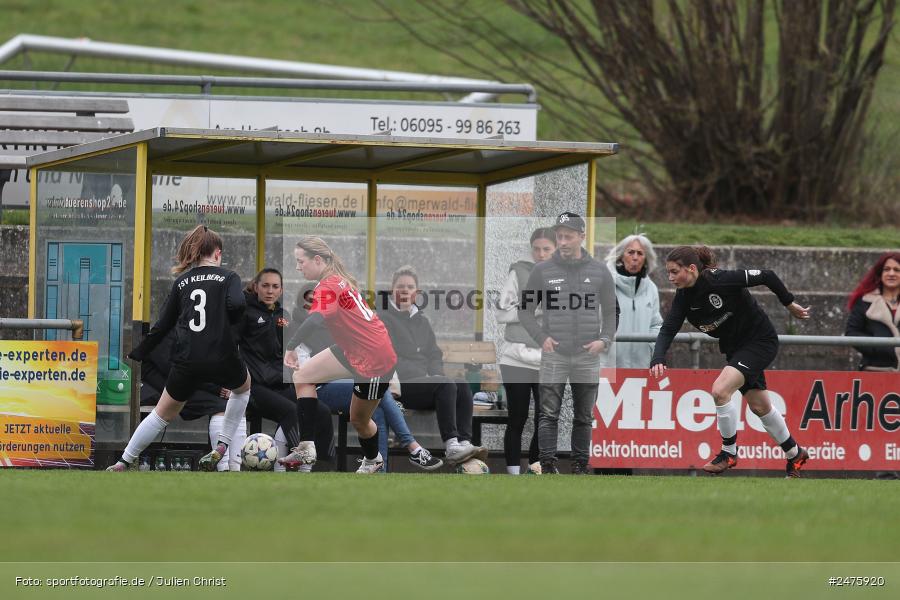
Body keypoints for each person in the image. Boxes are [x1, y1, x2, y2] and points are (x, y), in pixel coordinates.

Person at [649, 245, 812, 477]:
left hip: (759, 341)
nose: (670, 277)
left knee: (720, 390)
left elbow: (767, 275)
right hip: (736, 350)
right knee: (760, 406)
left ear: (692, 269)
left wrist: (789, 303)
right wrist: (658, 357)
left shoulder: (720, 280)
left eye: (675, 271)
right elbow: (668, 329)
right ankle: (795, 453)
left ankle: (728, 453)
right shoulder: (683, 298)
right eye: (669, 272)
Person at [108, 224, 251, 472]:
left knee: (162, 414)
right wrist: (231, 326)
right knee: (243, 389)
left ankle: (123, 461)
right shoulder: (229, 277)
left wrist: (139, 352)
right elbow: (238, 304)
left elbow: (163, 324)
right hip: (221, 355)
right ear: (217, 253)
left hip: (187, 358)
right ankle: (223, 445)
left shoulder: (182, 282)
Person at [291, 280, 443, 472]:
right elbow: (303, 369)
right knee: (377, 395)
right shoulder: (298, 328)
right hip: (317, 388)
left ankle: (383, 463)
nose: (316, 305)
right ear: (302, 303)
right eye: (310, 301)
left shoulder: (336, 324)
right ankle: (410, 449)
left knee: (374, 394)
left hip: (346, 380)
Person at [281, 236, 397, 474]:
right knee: (302, 377)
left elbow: (315, 320)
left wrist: (291, 346)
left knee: (359, 420)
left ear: (317, 259)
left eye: (300, 261)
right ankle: (306, 446)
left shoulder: (329, 285)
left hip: (375, 359)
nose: (297, 267)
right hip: (353, 349)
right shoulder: (335, 279)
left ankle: (373, 459)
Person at [519, 212, 618, 475]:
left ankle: (580, 466)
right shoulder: (542, 270)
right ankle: (548, 465)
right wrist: (542, 338)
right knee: (548, 414)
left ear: (581, 237)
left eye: (568, 236)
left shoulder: (599, 270)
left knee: (584, 416)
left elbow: (611, 312)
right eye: (559, 236)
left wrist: (604, 340)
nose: (562, 241)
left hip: (588, 355)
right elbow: (524, 311)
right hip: (555, 355)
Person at [377, 265, 488, 466]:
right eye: (400, 286)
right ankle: (452, 445)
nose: (405, 290)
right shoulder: (383, 318)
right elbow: (387, 358)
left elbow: (434, 354)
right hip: (398, 386)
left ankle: (464, 442)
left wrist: (435, 375)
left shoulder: (422, 321)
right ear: (392, 290)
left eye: (410, 287)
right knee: (444, 384)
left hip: (424, 385)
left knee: (461, 384)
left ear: (416, 293)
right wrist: (434, 379)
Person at [237, 268, 334, 472]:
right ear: (256, 287)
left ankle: (323, 466)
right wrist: (231, 383)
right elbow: (230, 348)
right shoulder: (245, 313)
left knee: (320, 411)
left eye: (275, 286)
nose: (270, 291)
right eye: (265, 286)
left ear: (281, 290)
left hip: (279, 383)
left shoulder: (284, 316)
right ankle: (290, 467)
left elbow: (291, 349)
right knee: (291, 411)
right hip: (255, 387)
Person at [494, 227, 556, 475]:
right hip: (515, 357)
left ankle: (535, 468)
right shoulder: (519, 271)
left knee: (545, 419)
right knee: (517, 417)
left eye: (546, 249)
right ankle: (512, 474)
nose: (541, 254)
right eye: (537, 249)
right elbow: (500, 313)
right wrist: (533, 311)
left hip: (548, 357)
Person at [138, 330, 244, 471]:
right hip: (171, 386)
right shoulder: (166, 333)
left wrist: (224, 383)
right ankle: (223, 467)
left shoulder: (196, 330)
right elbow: (178, 370)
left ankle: (235, 466)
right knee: (221, 405)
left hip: (189, 381)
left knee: (236, 403)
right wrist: (216, 388)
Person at [605, 234, 663, 368]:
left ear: (646, 258)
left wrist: (651, 348)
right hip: (608, 368)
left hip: (641, 368)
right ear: (621, 256)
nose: (635, 257)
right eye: (630, 252)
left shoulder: (651, 288)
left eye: (640, 253)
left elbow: (656, 325)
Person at [845, 252, 900, 372]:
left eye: (897, 270)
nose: (891, 273)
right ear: (880, 274)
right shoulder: (864, 301)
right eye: (887, 269)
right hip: (874, 371)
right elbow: (851, 333)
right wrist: (880, 346)